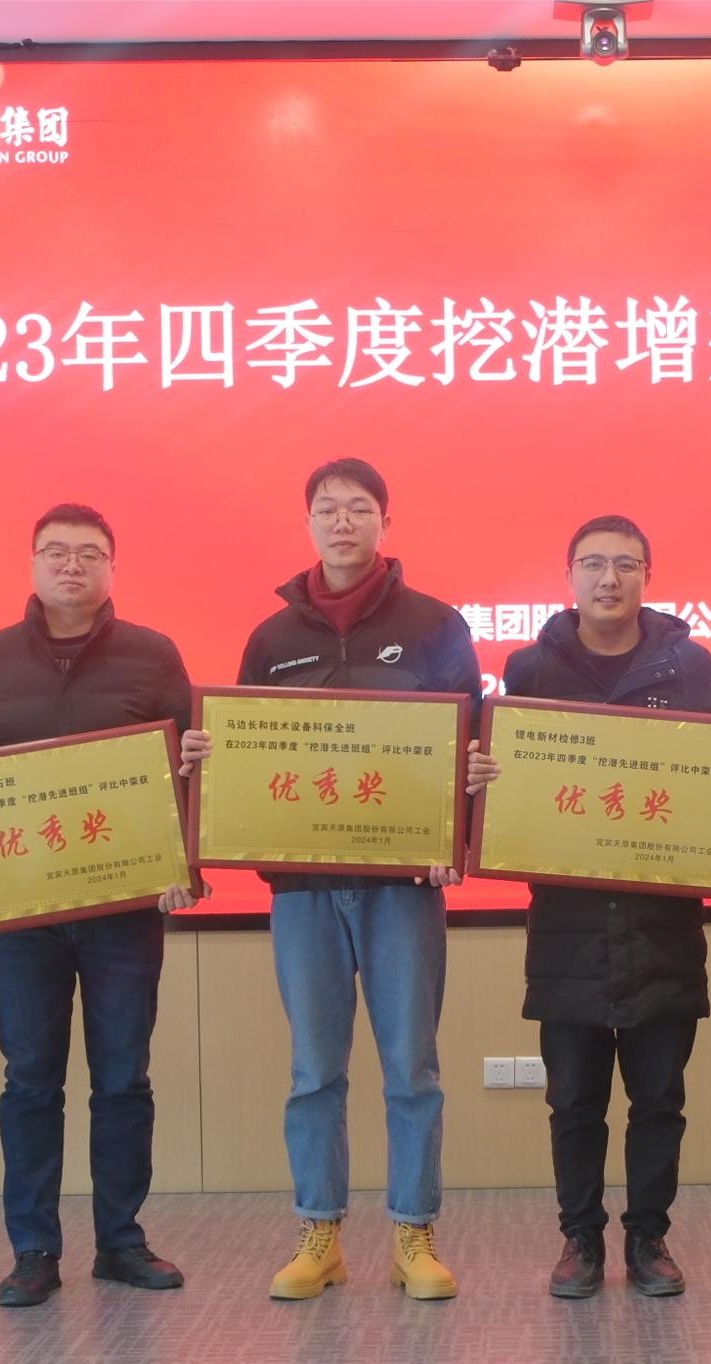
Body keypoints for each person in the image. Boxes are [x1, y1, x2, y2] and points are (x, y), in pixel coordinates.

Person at [180, 457, 480, 1301]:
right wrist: (207, 758)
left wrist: (448, 835)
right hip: (303, 890)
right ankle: (320, 1234)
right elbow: (247, 754)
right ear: (308, 522)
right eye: (326, 508)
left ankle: (414, 1235)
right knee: (314, 1071)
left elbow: (470, 746)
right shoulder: (272, 640)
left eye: (358, 508)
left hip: (401, 887)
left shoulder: (435, 625)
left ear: (385, 521)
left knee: (411, 1070)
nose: (342, 521)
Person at [0, 505, 200, 1307]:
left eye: (89, 553)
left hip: (124, 910)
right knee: (30, 1079)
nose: (72, 565)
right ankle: (33, 1250)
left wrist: (185, 867)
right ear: (32, 564)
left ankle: (120, 1242)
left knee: (123, 1078)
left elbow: (191, 773)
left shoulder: (153, 654)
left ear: (112, 568)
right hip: (23, 911)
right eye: (56, 552)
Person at [469, 515, 711, 1299]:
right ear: (570, 575)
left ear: (648, 576)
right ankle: (580, 1239)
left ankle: (648, 1239)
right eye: (593, 564)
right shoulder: (531, 668)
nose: (609, 579)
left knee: (659, 1100)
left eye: (626, 565)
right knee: (573, 1101)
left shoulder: (689, 668)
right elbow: (511, 790)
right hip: (568, 925)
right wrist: (484, 782)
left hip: (661, 923)